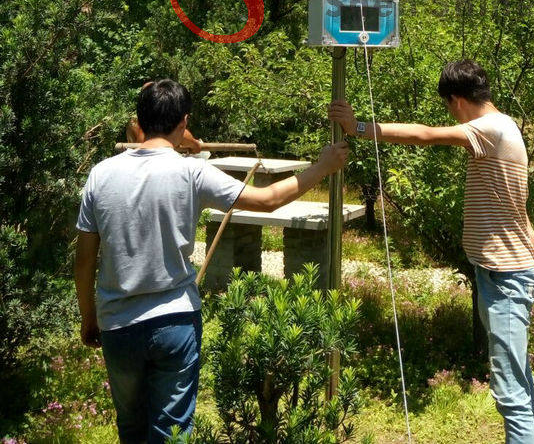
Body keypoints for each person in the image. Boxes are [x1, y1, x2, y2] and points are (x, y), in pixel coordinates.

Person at [75, 78, 348, 444]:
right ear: (184, 121)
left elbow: (84, 261)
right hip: (174, 322)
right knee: (172, 433)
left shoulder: (101, 175)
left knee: (131, 429)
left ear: (138, 120)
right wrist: (322, 167)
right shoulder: (192, 172)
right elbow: (267, 199)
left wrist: (89, 318)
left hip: (118, 323)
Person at [328, 58, 534, 444]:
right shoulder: (506, 125)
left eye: (448, 106)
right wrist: (532, 237)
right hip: (503, 273)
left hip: (505, 279)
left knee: (510, 392)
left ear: (457, 100)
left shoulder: (487, 128)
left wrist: (358, 128)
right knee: (519, 379)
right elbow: (512, 199)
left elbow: (424, 135)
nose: (450, 115)